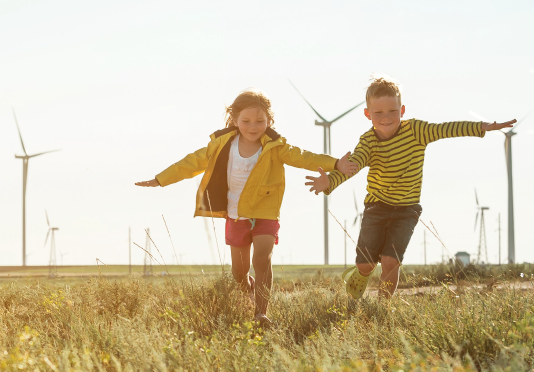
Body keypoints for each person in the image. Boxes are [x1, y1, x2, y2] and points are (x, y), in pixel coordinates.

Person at [136, 89, 357, 325]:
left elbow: (304, 157)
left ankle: (261, 312)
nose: (253, 126)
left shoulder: (276, 147)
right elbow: (191, 162)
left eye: (260, 121)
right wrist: (161, 179)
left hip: (265, 213)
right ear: (235, 121)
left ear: (269, 121)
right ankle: (250, 290)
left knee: (262, 260)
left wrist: (335, 163)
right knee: (239, 274)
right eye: (247, 121)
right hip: (236, 215)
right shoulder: (221, 145)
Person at [306, 75, 516, 300]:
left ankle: (383, 306)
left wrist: (482, 127)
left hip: (407, 210)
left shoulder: (416, 130)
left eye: (392, 111)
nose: (386, 118)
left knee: (391, 261)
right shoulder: (368, 141)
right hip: (376, 207)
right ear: (368, 114)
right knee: (366, 264)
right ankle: (361, 273)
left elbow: (447, 129)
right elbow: (352, 166)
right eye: (378, 113)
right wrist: (329, 181)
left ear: (402, 110)